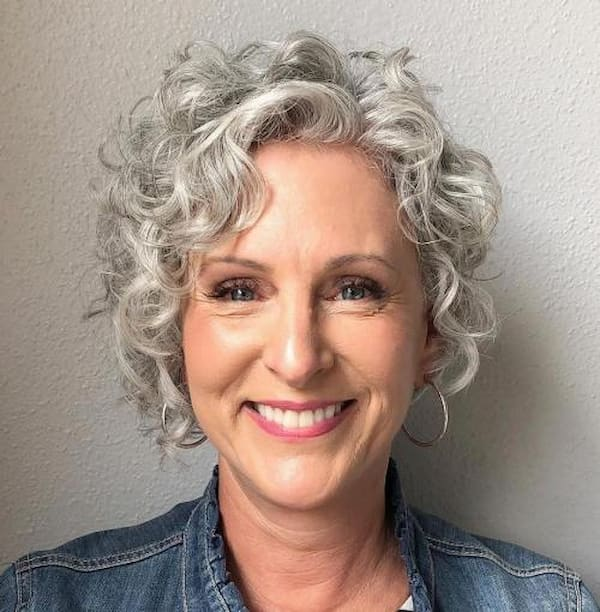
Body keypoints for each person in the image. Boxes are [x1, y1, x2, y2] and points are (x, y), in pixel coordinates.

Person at [0, 31, 597, 612]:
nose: (297, 359)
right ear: (173, 334)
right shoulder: (43, 602)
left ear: (430, 333)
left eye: (355, 289)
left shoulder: (549, 604)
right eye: (238, 291)